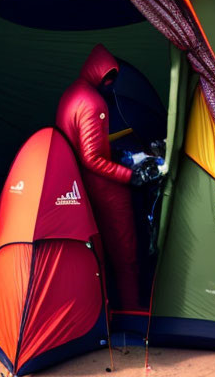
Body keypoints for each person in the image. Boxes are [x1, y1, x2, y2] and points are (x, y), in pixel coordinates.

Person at [56, 44, 160, 311]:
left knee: (101, 255)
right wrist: (130, 176)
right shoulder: (94, 103)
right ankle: (133, 311)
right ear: (99, 74)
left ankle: (107, 308)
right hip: (108, 190)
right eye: (109, 78)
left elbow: (82, 147)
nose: (112, 84)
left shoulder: (73, 93)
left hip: (82, 185)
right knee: (126, 256)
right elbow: (92, 158)